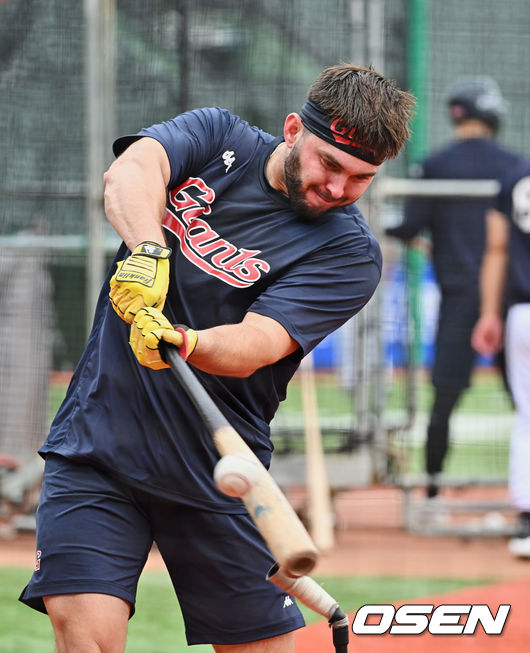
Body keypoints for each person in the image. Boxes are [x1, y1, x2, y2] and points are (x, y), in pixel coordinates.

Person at [18, 64, 415, 652]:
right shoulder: (217, 138)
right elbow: (131, 171)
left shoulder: (348, 252)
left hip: (222, 474)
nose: (337, 188)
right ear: (291, 131)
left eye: (360, 178)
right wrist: (149, 251)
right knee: (87, 642)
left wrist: (185, 342)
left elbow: (257, 345)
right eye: (329, 164)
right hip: (100, 448)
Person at [385, 76, 520, 502]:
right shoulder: (515, 166)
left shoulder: (436, 165)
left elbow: (407, 226)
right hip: (512, 296)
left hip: (460, 294)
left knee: (444, 397)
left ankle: (432, 495)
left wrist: (426, 244)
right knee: (527, 404)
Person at [472, 159, 530, 557]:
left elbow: (497, 250)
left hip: (524, 312)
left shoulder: (514, 174)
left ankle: (527, 522)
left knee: (528, 416)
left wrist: (490, 312)